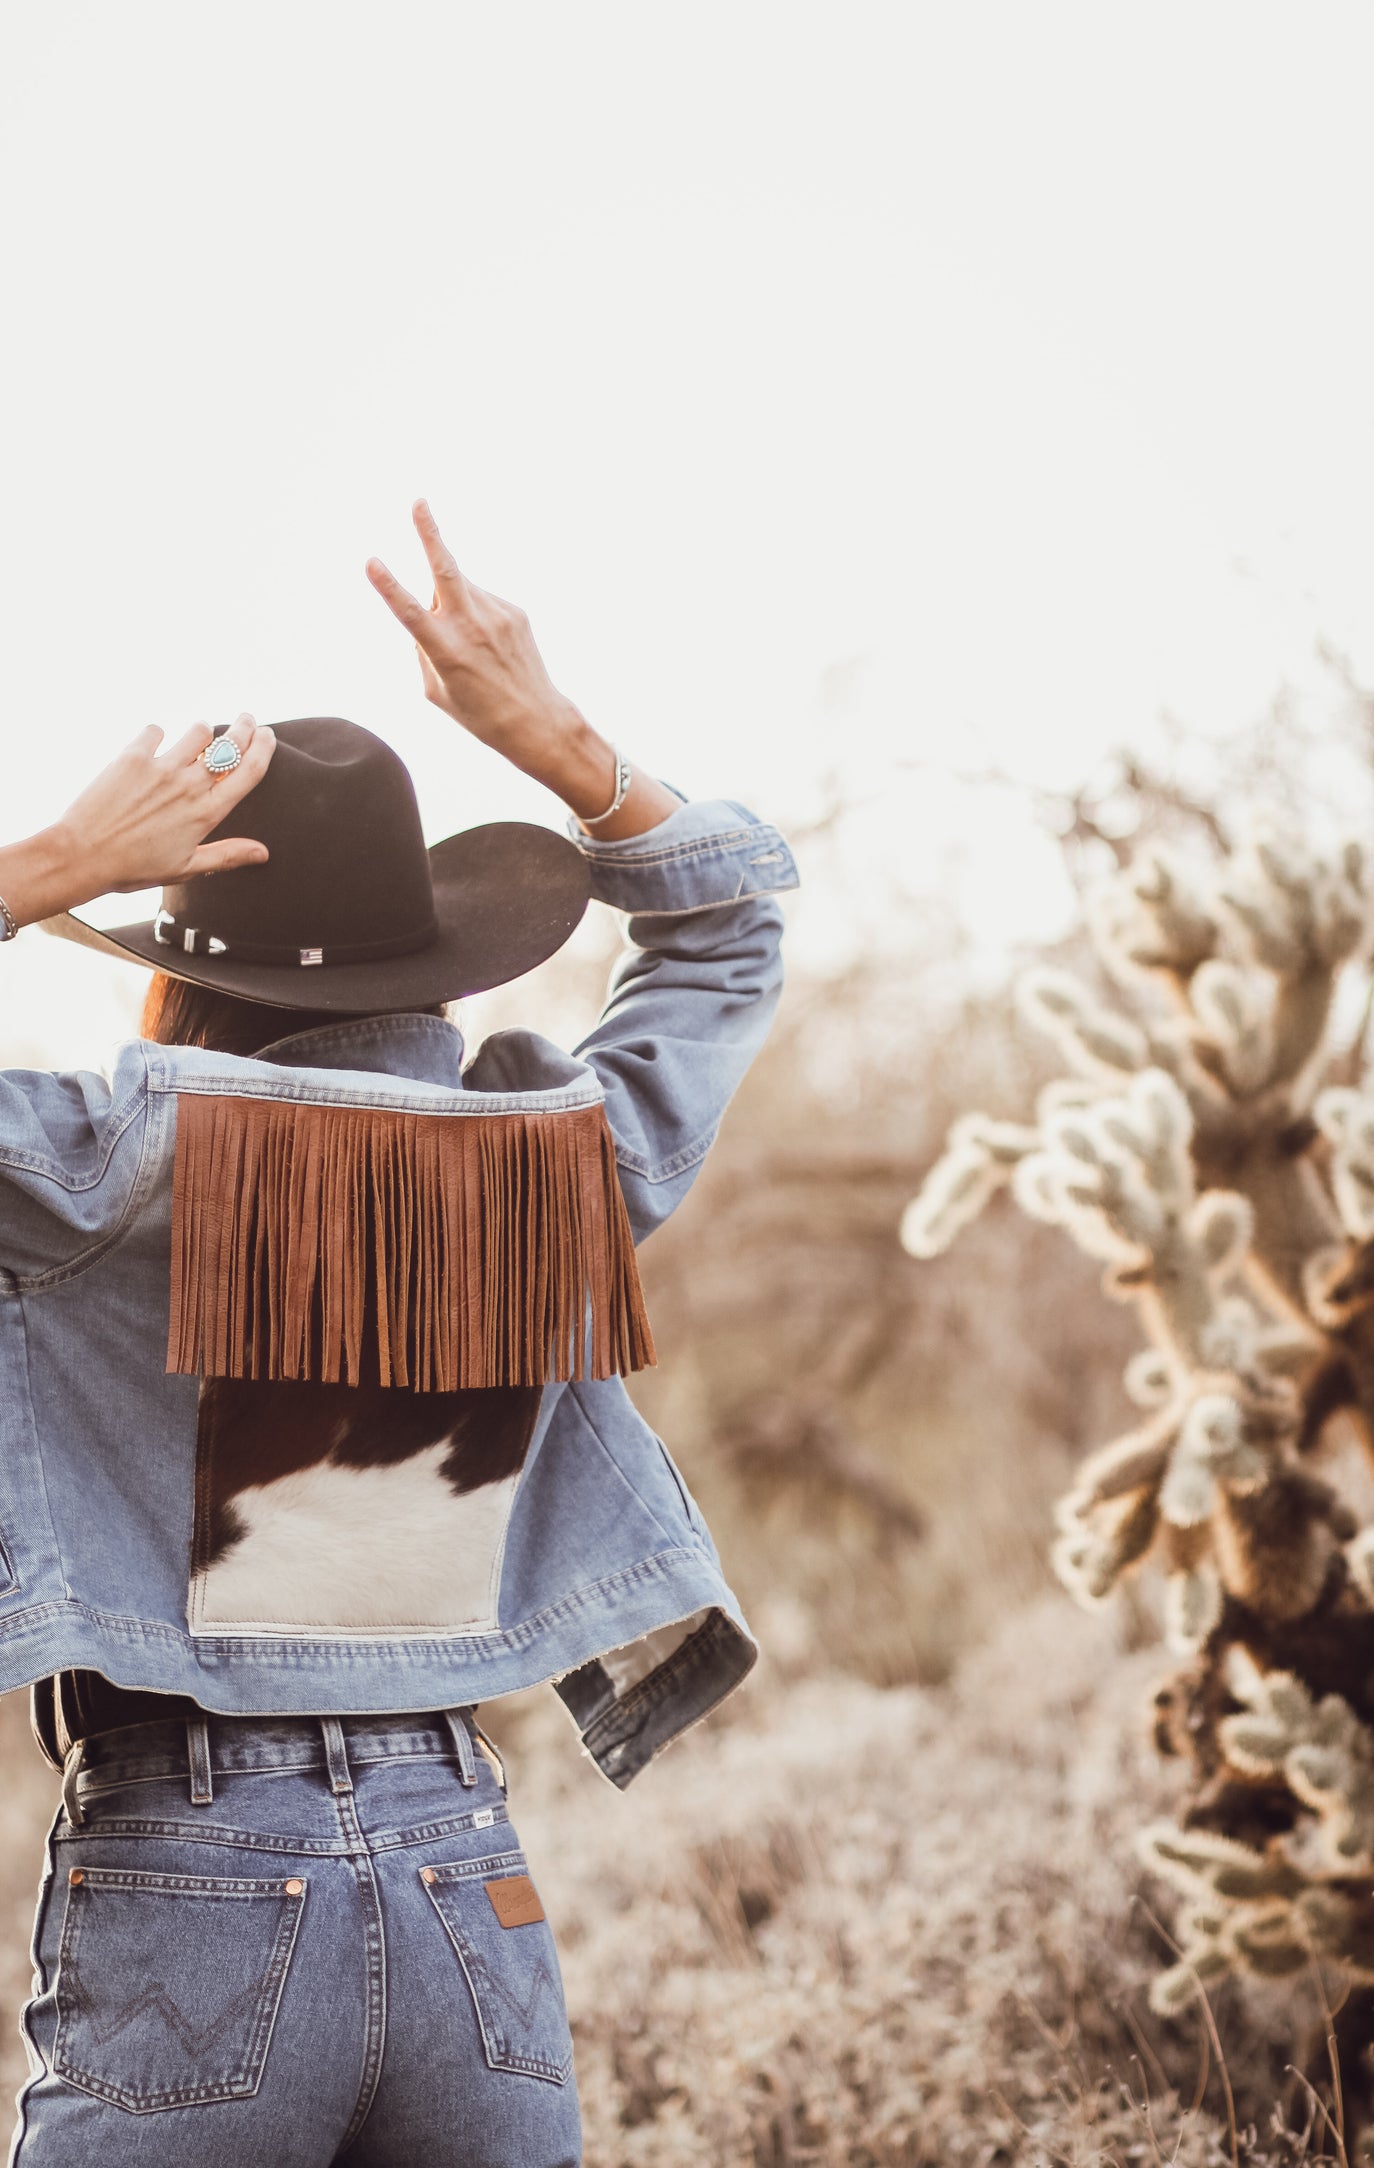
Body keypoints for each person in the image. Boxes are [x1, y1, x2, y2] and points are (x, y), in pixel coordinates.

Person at [0, 501, 798, 2165]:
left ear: (183, 965)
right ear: (428, 954)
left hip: (187, 1868)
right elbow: (725, 935)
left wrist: (54, 870)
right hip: (463, 1865)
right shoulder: (550, 1160)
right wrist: (559, 745)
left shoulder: (87, 1175)